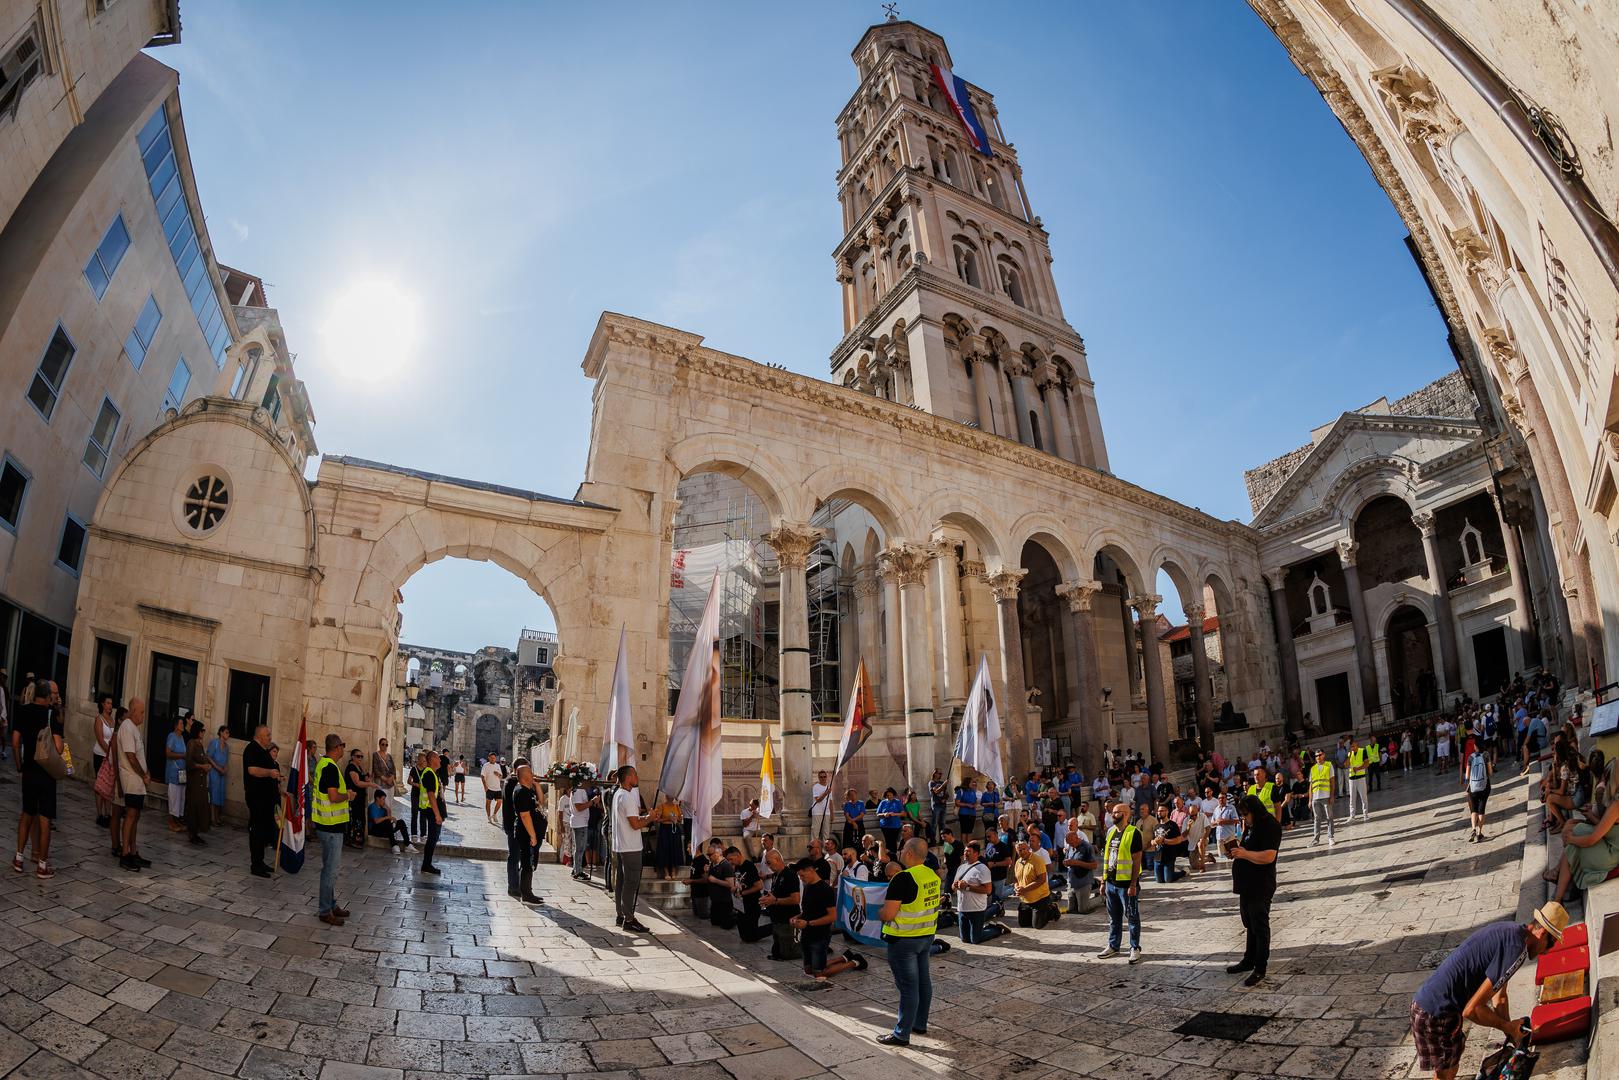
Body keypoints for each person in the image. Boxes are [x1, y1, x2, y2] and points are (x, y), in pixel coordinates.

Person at [1409, 904, 1566, 1079]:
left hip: (1436, 1005)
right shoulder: (1517, 950)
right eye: (1550, 945)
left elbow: (1500, 998)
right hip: (1436, 1012)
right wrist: (1507, 1026)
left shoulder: (1510, 932)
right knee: (1445, 1076)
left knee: (1450, 1070)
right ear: (1542, 934)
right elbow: (1473, 1009)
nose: (1545, 952)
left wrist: (1512, 1034)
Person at [876, 838, 939, 1045]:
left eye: (903, 849)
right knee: (923, 981)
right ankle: (919, 1023)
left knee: (908, 987)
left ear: (910, 854)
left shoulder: (903, 878)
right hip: (926, 936)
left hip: (904, 940)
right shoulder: (932, 875)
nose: (901, 852)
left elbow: (889, 913)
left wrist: (880, 912)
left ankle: (901, 1033)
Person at [1226, 794, 1282, 986]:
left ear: (1255, 811)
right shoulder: (1251, 826)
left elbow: (1268, 856)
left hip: (1261, 884)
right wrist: (1235, 852)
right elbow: (1247, 848)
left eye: (1245, 815)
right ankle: (1248, 960)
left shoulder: (1270, 826)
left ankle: (1260, 967)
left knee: (1259, 925)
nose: (1244, 819)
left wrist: (1245, 854)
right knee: (1249, 923)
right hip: (1246, 884)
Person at [11, 680, 63, 879]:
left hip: (29, 771)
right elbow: (58, 747)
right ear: (49, 696)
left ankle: (18, 858)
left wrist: (19, 766)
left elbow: (15, 742)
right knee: (44, 819)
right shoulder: (51, 715)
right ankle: (42, 865)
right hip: (46, 773)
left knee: (26, 813)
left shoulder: (23, 711)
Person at [791, 858, 859, 984]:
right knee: (808, 970)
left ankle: (854, 963)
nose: (801, 878)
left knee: (819, 973)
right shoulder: (807, 887)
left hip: (819, 935)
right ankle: (844, 957)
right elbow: (807, 910)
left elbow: (832, 916)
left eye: (802, 875)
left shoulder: (825, 889)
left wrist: (808, 923)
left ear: (811, 870)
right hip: (807, 934)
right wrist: (797, 917)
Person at [312, 734, 355, 925]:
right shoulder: (329, 767)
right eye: (342, 746)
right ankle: (324, 910)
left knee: (329, 869)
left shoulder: (323, 764)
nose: (343, 750)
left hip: (326, 825)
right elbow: (333, 796)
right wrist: (349, 796)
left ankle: (331, 904)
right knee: (331, 871)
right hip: (330, 827)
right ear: (337, 747)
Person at [1097, 801, 1143, 963]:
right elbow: (1106, 858)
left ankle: (1134, 947)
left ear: (1125, 814)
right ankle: (1113, 945)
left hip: (1126, 885)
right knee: (1113, 917)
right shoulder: (1110, 832)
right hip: (1111, 883)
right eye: (1112, 812)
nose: (1112, 814)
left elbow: (1137, 860)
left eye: (1116, 812)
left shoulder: (1133, 833)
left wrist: (1132, 884)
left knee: (1131, 916)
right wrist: (1103, 881)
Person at [611, 764, 650, 933]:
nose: (637, 778)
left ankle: (621, 914)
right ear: (628, 778)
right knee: (630, 883)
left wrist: (645, 817)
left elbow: (630, 819)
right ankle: (629, 918)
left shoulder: (618, 794)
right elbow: (635, 824)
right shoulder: (627, 797)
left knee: (621, 881)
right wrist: (650, 818)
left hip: (621, 845)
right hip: (631, 847)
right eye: (635, 775)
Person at [115, 699, 152, 871]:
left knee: (135, 816)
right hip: (131, 779)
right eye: (142, 712)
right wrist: (143, 774)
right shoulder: (127, 728)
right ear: (133, 710)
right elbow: (130, 756)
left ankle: (133, 851)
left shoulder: (133, 728)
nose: (143, 715)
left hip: (137, 781)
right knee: (130, 815)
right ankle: (125, 854)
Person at [242, 724, 281, 877]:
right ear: (259, 736)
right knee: (257, 831)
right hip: (257, 798)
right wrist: (269, 772)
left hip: (266, 799)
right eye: (267, 735)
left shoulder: (263, 751)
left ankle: (260, 861)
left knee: (263, 831)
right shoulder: (251, 749)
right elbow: (252, 770)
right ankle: (256, 865)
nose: (270, 738)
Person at [509, 761, 543, 903]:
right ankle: (526, 894)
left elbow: (541, 802)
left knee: (530, 861)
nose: (532, 773)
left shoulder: (528, 791)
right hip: (525, 832)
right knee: (527, 862)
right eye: (530, 772)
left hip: (530, 832)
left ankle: (528, 891)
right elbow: (524, 815)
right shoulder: (521, 792)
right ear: (524, 776)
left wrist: (537, 785)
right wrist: (532, 835)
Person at [953, 840, 1000, 942]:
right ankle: (981, 930)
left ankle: (997, 929)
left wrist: (968, 887)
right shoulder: (961, 868)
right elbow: (953, 887)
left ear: (976, 854)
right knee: (965, 940)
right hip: (962, 908)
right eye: (965, 851)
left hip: (976, 909)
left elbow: (988, 890)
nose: (966, 853)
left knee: (975, 940)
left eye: (969, 851)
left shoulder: (982, 868)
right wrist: (955, 885)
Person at [759, 849, 801, 961]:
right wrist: (768, 899)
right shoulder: (775, 875)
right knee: (778, 949)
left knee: (787, 952)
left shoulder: (790, 875)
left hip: (787, 917)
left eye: (769, 863)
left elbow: (796, 899)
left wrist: (775, 900)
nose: (768, 866)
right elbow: (775, 894)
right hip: (777, 918)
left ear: (777, 860)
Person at [1012, 840, 1057, 928]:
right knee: (1024, 924)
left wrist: (1024, 889)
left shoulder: (1038, 860)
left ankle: (1052, 909)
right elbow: (1016, 879)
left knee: (1037, 926)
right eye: (1020, 850)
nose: (1022, 852)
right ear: (1017, 852)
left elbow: (1042, 879)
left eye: (1024, 849)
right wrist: (1016, 887)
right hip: (1025, 899)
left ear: (1028, 848)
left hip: (1040, 898)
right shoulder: (1018, 862)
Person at [184, 721, 211, 844]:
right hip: (194, 782)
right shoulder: (191, 744)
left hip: (201, 782)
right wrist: (202, 767)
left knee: (200, 806)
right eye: (202, 731)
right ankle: (192, 834)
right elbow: (189, 763)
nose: (203, 733)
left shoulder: (199, 745)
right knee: (193, 807)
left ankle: (197, 833)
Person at [418, 750, 445, 874]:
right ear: (432, 759)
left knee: (433, 838)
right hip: (431, 811)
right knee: (432, 839)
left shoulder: (434, 773)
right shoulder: (429, 773)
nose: (440, 760)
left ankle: (427, 864)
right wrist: (437, 814)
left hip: (432, 810)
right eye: (438, 758)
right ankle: (426, 864)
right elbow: (431, 795)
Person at [92, 693, 116, 827]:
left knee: (109, 785)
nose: (110, 706)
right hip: (101, 754)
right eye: (107, 703)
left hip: (110, 756)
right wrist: (109, 752)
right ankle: (99, 813)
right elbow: (101, 739)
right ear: (102, 704)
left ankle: (108, 813)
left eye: (111, 704)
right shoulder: (99, 719)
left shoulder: (112, 720)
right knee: (100, 784)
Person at [164, 713, 188, 832]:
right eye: (181, 723)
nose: (183, 725)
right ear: (175, 725)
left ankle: (177, 820)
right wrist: (182, 756)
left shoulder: (182, 738)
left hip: (182, 773)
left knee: (180, 797)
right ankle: (171, 822)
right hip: (174, 772)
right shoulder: (172, 736)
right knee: (173, 796)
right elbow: (168, 753)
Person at [1464, 741, 1491, 843]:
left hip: (1473, 787)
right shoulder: (1486, 755)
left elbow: (1467, 776)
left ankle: (1473, 829)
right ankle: (1479, 833)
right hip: (1485, 786)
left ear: (1475, 747)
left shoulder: (1471, 757)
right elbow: (1490, 772)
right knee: (1482, 808)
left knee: (1473, 809)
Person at [1309, 748, 1335, 847]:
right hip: (1316, 797)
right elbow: (1311, 785)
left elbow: (1332, 781)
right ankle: (1316, 839)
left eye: (1320, 755)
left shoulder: (1329, 765)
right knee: (1317, 819)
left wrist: (1332, 796)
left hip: (1326, 796)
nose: (1318, 757)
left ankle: (1331, 837)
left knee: (1329, 817)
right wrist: (1310, 800)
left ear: (1323, 755)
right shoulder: (1313, 768)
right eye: (1316, 756)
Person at [205, 725, 229, 827]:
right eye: (226, 732)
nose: (228, 735)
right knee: (213, 794)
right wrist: (217, 767)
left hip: (222, 774)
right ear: (221, 733)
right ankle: (212, 818)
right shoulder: (214, 743)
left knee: (220, 794)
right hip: (214, 772)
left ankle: (217, 817)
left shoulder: (227, 747)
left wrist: (225, 769)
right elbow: (208, 757)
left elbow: (226, 760)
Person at [1346, 735, 1371, 822]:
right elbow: (1346, 765)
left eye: (1353, 746)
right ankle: (1352, 816)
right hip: (1352, 778)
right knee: (1352, 798)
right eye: (1351, 746)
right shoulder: (1350, 754)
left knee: (1363, 797)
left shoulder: (1363, 751)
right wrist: (1349, 756)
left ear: (1357, 744)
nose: (1352, 748)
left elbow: (1367, 764)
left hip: (1361, 777)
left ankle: (1365, 815)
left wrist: (1358, 768)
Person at [876, 787, 904, 853]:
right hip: (885, 826)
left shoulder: (897, 802)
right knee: (888, 842)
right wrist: (884, 814)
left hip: (895, 826)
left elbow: (903, 813)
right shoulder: (883, 802)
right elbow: (877, 814)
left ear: (893, 794)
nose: (889, 796)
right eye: (887, 795)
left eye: (890, 795)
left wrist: (895, 814)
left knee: (894, 842)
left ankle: (894, 856)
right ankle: (889, 857)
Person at [481, 751, 504, 825]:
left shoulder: (498, 765)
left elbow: (501, 776)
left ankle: (494, 814)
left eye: (494, 758)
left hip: (497, 788)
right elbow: (482, 776)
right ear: (489, 758)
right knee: (488, 803)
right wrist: (485, 786)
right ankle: (488, 816)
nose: (493, 759)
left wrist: (498, 774)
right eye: (491, 758)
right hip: (489, 787)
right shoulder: (485, 765)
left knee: (500, 801)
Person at [810, 770, 833, 841]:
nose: (823, 778)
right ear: (818, 778)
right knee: (815, 832)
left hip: (827, 812)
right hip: (817, 812)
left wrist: (832, 814)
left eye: (824, 776)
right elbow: (818, 800)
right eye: (821, 777)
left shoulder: (829, 787)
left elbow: (831, 802)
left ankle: (825, 851)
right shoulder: (816, 787)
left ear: (827, 777)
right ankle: (814, 849)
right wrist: (826, 793)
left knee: (826, 833)